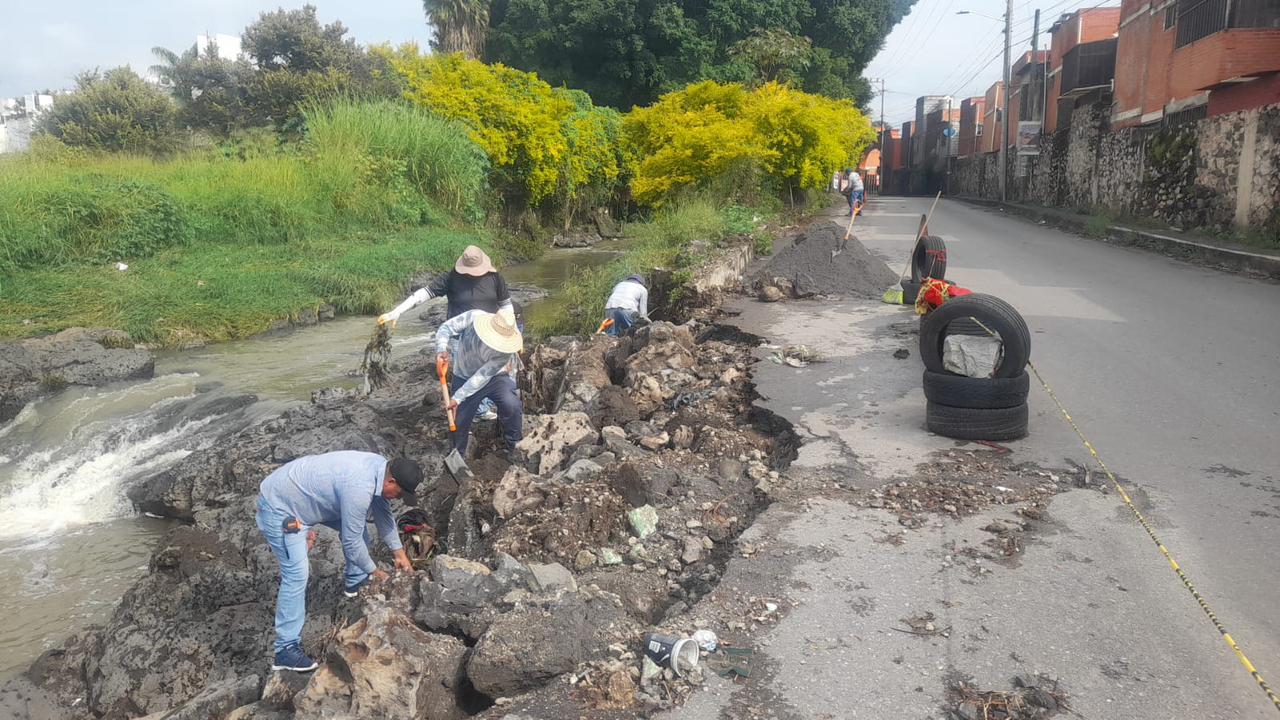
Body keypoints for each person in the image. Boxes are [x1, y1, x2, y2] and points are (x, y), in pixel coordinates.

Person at [255, 452, 423, 672]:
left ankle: (355, 583)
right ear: (390, 481)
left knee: (358, 528)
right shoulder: (358, 487)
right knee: (296, 574)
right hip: (281, 507)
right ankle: (285, 649)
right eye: (399, 494)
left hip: (310, 499)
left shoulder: (380, 468)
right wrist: (375, 572)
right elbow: (352, 543)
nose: (398, 499)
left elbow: (383, 513)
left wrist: (399, 554)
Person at [435, 308, 524, 456]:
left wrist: (458, 397)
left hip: (495, 377)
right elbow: (446, 328)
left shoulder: (504, 353)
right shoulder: (474, 316)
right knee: (459, 420)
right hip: (463, 375)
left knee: (512, 404)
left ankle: (514, 447)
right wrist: (441, 349)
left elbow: (481, 376)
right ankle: (458, 454)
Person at [377, 245, 513, 328]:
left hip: (489, 335)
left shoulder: (495, 277)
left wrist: (512, 332)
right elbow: (424, 294)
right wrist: (397, 312)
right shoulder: (452, 277)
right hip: (458, 336)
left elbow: (506, 307)